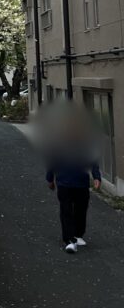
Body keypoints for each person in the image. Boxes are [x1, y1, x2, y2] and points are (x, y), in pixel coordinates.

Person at [44, 109, 102, 254]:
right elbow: (53, 162)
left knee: (81, 211)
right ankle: (69, 241)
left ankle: (77, 234)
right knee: (66, 211)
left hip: (81, 183)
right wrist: (50, 179)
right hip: (64, 183)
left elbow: (93, 162)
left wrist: (96, 177)